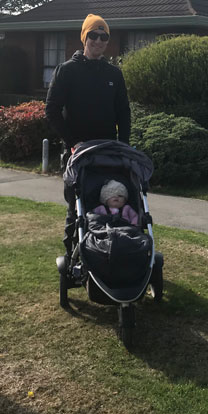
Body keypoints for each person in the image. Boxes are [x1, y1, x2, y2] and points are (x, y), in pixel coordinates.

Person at [45, 14, 132, 256]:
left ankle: (110, 253)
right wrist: (73, 142)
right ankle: (74, 257)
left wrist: (123, 146)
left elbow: (123, 113)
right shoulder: (67, 71)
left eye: (104, 36)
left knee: (109, 203)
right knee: (77, 208)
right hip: (78, 153)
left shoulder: (113, 75)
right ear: (84, 37)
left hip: (107, 153)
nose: (98, 40)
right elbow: (51, 110)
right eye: (93, 35)